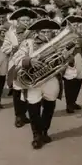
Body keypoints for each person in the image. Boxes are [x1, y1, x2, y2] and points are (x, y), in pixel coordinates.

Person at [13, 18, 65, 149]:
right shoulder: (28, 43)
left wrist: (64, 56)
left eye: (49, 32)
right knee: (33, 108)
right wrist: (29, 61)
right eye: (44, 32)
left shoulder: (57, 43)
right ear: (37, 32)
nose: (47, 34)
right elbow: (16, 58)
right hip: (34, 81)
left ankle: (44, 131)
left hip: (51, 79)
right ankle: (36, 135)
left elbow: (63, 62)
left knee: (49, 106)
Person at [2, 7, 39, 128]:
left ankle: (25, 114)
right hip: (16, 64)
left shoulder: (35, 33)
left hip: (31, 63)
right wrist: (14, 48)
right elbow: (4, 48)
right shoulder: (10, 34)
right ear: (17, 21)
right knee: (17, 90)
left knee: (28, 88)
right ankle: (18, 116)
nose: (27, 22)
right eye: (24, 20)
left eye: (28, 20)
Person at [61, 15, 82, 113]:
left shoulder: (80, 35)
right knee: (69, 83)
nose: (76, 26)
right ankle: (69, 104)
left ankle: (73, 101)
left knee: (78, 82)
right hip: (70, 60)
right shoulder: (64, 36)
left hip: (80, 59)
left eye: (77, 25)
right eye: (74, 25)